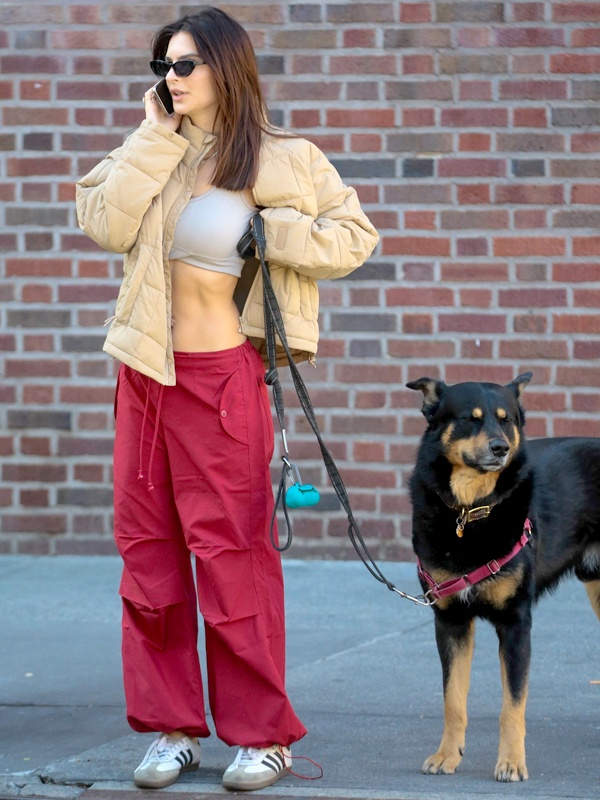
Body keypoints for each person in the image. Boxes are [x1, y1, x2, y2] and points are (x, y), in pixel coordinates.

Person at [76, 5, 378, 793]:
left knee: (230, 560)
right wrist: (154, 134)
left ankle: (260, 736)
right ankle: (172, 729)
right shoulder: (153, 149)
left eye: (182, 67)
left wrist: (272, 233)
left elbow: (354, 237)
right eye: (161, 68)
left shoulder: (284, 157)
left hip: (220, 382)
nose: (168, 80)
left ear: (223, 68)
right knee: (148, 561)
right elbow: (103, 222)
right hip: (144, 377)